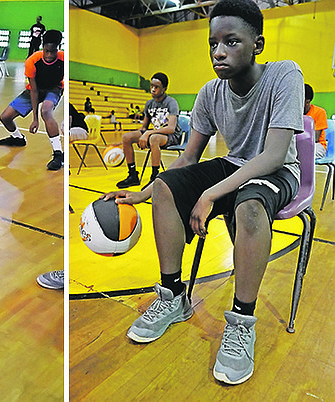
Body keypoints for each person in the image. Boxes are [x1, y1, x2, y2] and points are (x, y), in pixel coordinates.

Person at [102, 0, 304, 385]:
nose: (218, 52)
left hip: (277, 171)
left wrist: (211, 194)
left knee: (249, 205)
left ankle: (242, 321)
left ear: (257, 44)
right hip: (233, 166)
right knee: (166, 187)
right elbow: (189, 157)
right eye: (213, 43)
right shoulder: (210, 92)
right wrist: (144, 192)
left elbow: (275, 155)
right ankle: (174, 296)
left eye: (231, 42)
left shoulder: (284, 76)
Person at [0, 30, 64, 171]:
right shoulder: (32, 61)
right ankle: (18, 138)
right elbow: (34, 91)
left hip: (54, 88)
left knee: (46, 111)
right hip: (35, 89)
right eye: (46, 51)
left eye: (53, 51)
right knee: (5, 117)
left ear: (58, 48)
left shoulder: (63, 59)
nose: (50, 55)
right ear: (42, 47)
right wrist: (34, 119)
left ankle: (59, 154)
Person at [116, 72, 181, 190]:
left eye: (156, 87)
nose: (153, 89)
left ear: (164, 89)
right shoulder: (149, 104)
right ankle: (133, 175)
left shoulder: (171, 102)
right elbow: (144, 127)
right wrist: (125, 142)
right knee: (127, 137)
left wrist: (148, 133)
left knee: (153, 138)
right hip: (154, 133)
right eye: (151, 86)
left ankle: (155, 178)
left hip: (171, 136)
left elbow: (171, 128)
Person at [304, 83, 328, 158]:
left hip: (317, 145)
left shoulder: (320, 112)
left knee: (306, 154)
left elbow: (315, 139)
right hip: (298, 144)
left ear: (307, 102)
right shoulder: (293, 112)